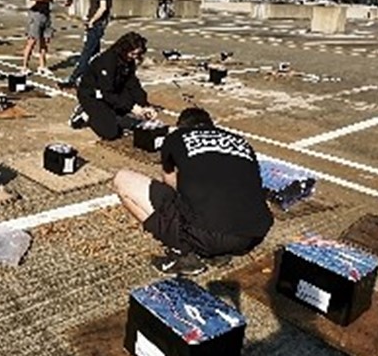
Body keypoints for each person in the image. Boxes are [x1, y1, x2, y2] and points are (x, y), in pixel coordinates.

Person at [111, 107, 274, 276]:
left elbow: (170, 182)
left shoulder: (176, 137)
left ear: (181, 126)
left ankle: (182, 251)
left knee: (122, 179)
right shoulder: (241, 141)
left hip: (209, 236)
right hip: (252, 235)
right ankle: (219, 253)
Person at [69, 31, 159, 139]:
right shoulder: (107, 61)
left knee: (125, 112)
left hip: (112, 90)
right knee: (111, 132)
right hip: (93, 94)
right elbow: (108, 93)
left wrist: (144, 105)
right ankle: (86, 114)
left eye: (137, 54)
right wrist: (132, 107)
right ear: (125, 49)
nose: (135, 57)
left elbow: (132, 83)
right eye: (133, 54)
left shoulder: (127, 60)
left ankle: (110, 113)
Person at [61, 0, 113, 88]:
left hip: (96, 25)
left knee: (86, 54)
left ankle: (73, 79)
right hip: (97, 24)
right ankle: (96, 79)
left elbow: (103, 7)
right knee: (95, 55)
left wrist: (92, 21)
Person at [20, 0, 55, 75]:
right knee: (32, 41)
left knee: (45, 41)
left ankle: (42, 66)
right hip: (36, 14)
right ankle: (24, 67)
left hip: (46, 13)